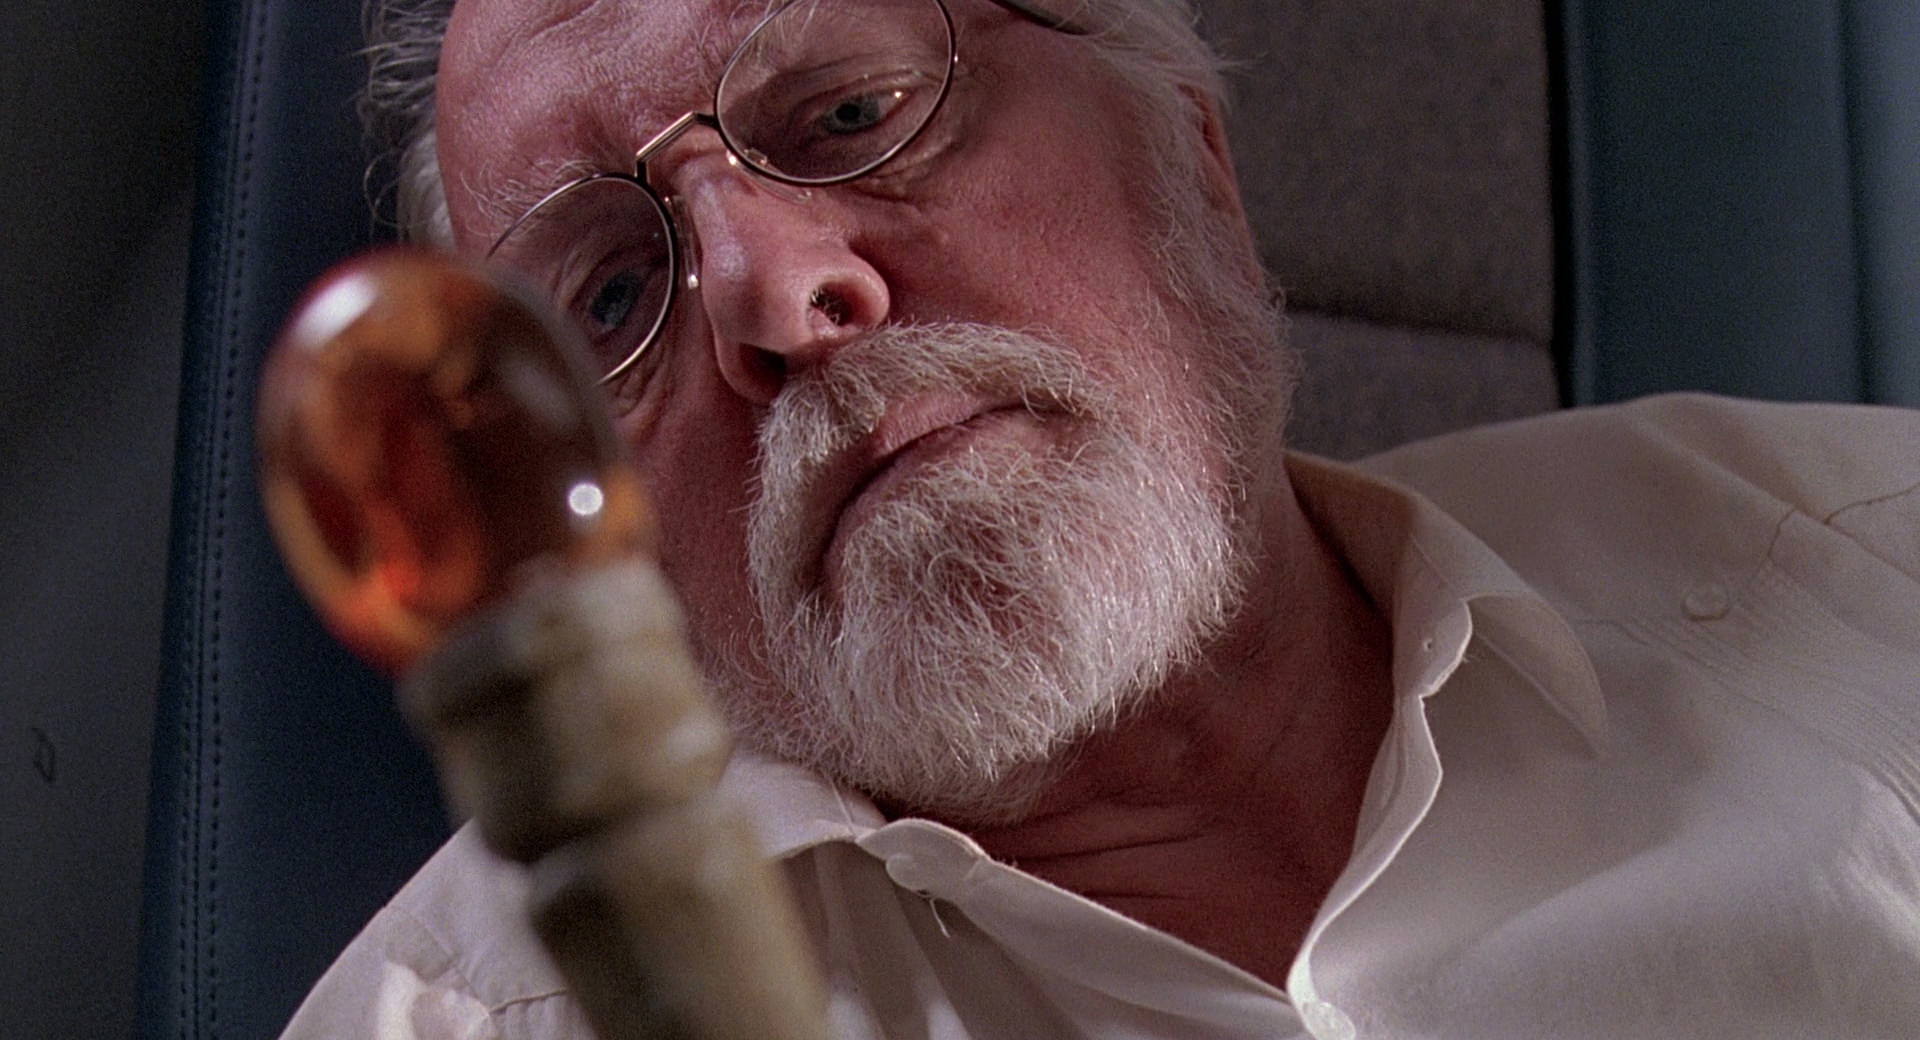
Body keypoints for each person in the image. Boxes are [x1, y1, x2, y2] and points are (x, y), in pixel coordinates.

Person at [282, 0, 1920, 1036]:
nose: (773, 297)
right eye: (612, 295)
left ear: (1195, 161)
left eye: (851, 115)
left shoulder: (1874, 564)